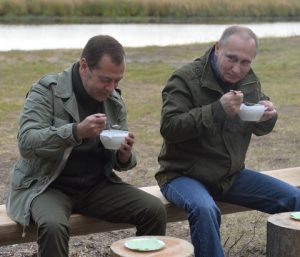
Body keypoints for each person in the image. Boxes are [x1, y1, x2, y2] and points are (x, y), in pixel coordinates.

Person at [6, 35, 166, 257]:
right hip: (47, 185)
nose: (111, 88)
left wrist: (124, 154)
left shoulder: (113, 100)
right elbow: (27, 143)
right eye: (105, 80)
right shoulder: (46, 91)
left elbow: (123, 162)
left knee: (153, 210)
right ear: (84, 66)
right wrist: (75, 131)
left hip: (95, 186)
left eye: (117, 81)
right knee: (53, 226)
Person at [155, 25, 300, 257]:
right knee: (205, 209)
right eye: (231, 58)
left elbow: (260, 127)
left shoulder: (249, 81)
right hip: (182, 175)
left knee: (295, 197)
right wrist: (216, 110)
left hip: (230, 175)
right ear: (217, 47)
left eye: (245, 62)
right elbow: (170, 128)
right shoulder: (185, 78)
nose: (237, 68)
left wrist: (268, 115)